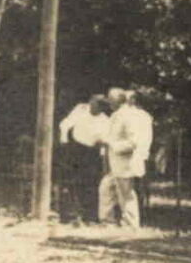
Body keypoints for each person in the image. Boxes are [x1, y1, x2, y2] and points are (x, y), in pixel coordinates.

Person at [99, 88, 153, 229]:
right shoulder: (115, 115)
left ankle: (130, 225)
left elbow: (133, 142)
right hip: (115, 163)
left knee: (126, 195)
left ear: (118, 101)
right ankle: (107, 222)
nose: (108, 102)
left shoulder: (129, 116)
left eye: (110, 100)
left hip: (126, 163)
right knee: (106, 188)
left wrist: (113, 145)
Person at [58, 95, 110, 223]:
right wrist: (64, 141)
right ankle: (70, 214)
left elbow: (104, 142)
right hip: (75, 149)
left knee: (90, 183)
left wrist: (102, 156)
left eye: (99, 105)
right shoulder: (80, 110)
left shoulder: (105, 120)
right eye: (94, 103)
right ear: (91, 101)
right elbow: (65, 125)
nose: (94, 107)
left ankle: (89, 215)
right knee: (72, 181)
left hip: (92, 153)